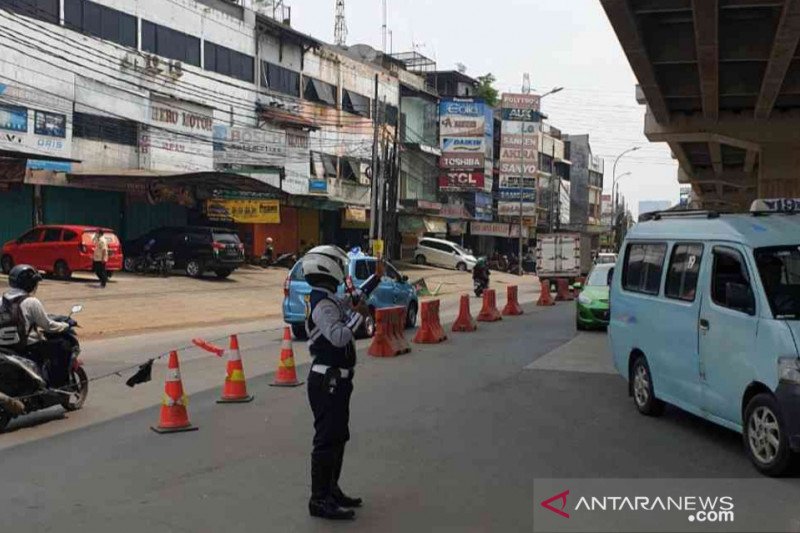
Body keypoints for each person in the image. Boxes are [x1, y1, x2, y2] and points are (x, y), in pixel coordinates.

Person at [303, 245, 369, 520]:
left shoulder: (328, 298)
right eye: (339, 265)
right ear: (326, 266)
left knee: (338, 437)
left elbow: (354, 300)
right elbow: (339, 336)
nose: (342, 270)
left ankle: (332, 490)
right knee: (327, 440)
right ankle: (319, 500)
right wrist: (360, 315)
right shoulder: (322, 305)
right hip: (326, 381)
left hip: (337, 381)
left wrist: (374, 280)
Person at [0, 265, 74, 387]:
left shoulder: (2, 300)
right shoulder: (31, 302)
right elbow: (49, 326)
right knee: (63, 346)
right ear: (30, 283)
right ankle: (59, 384)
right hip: (26, 346)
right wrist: (65, 325)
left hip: (4, 347)